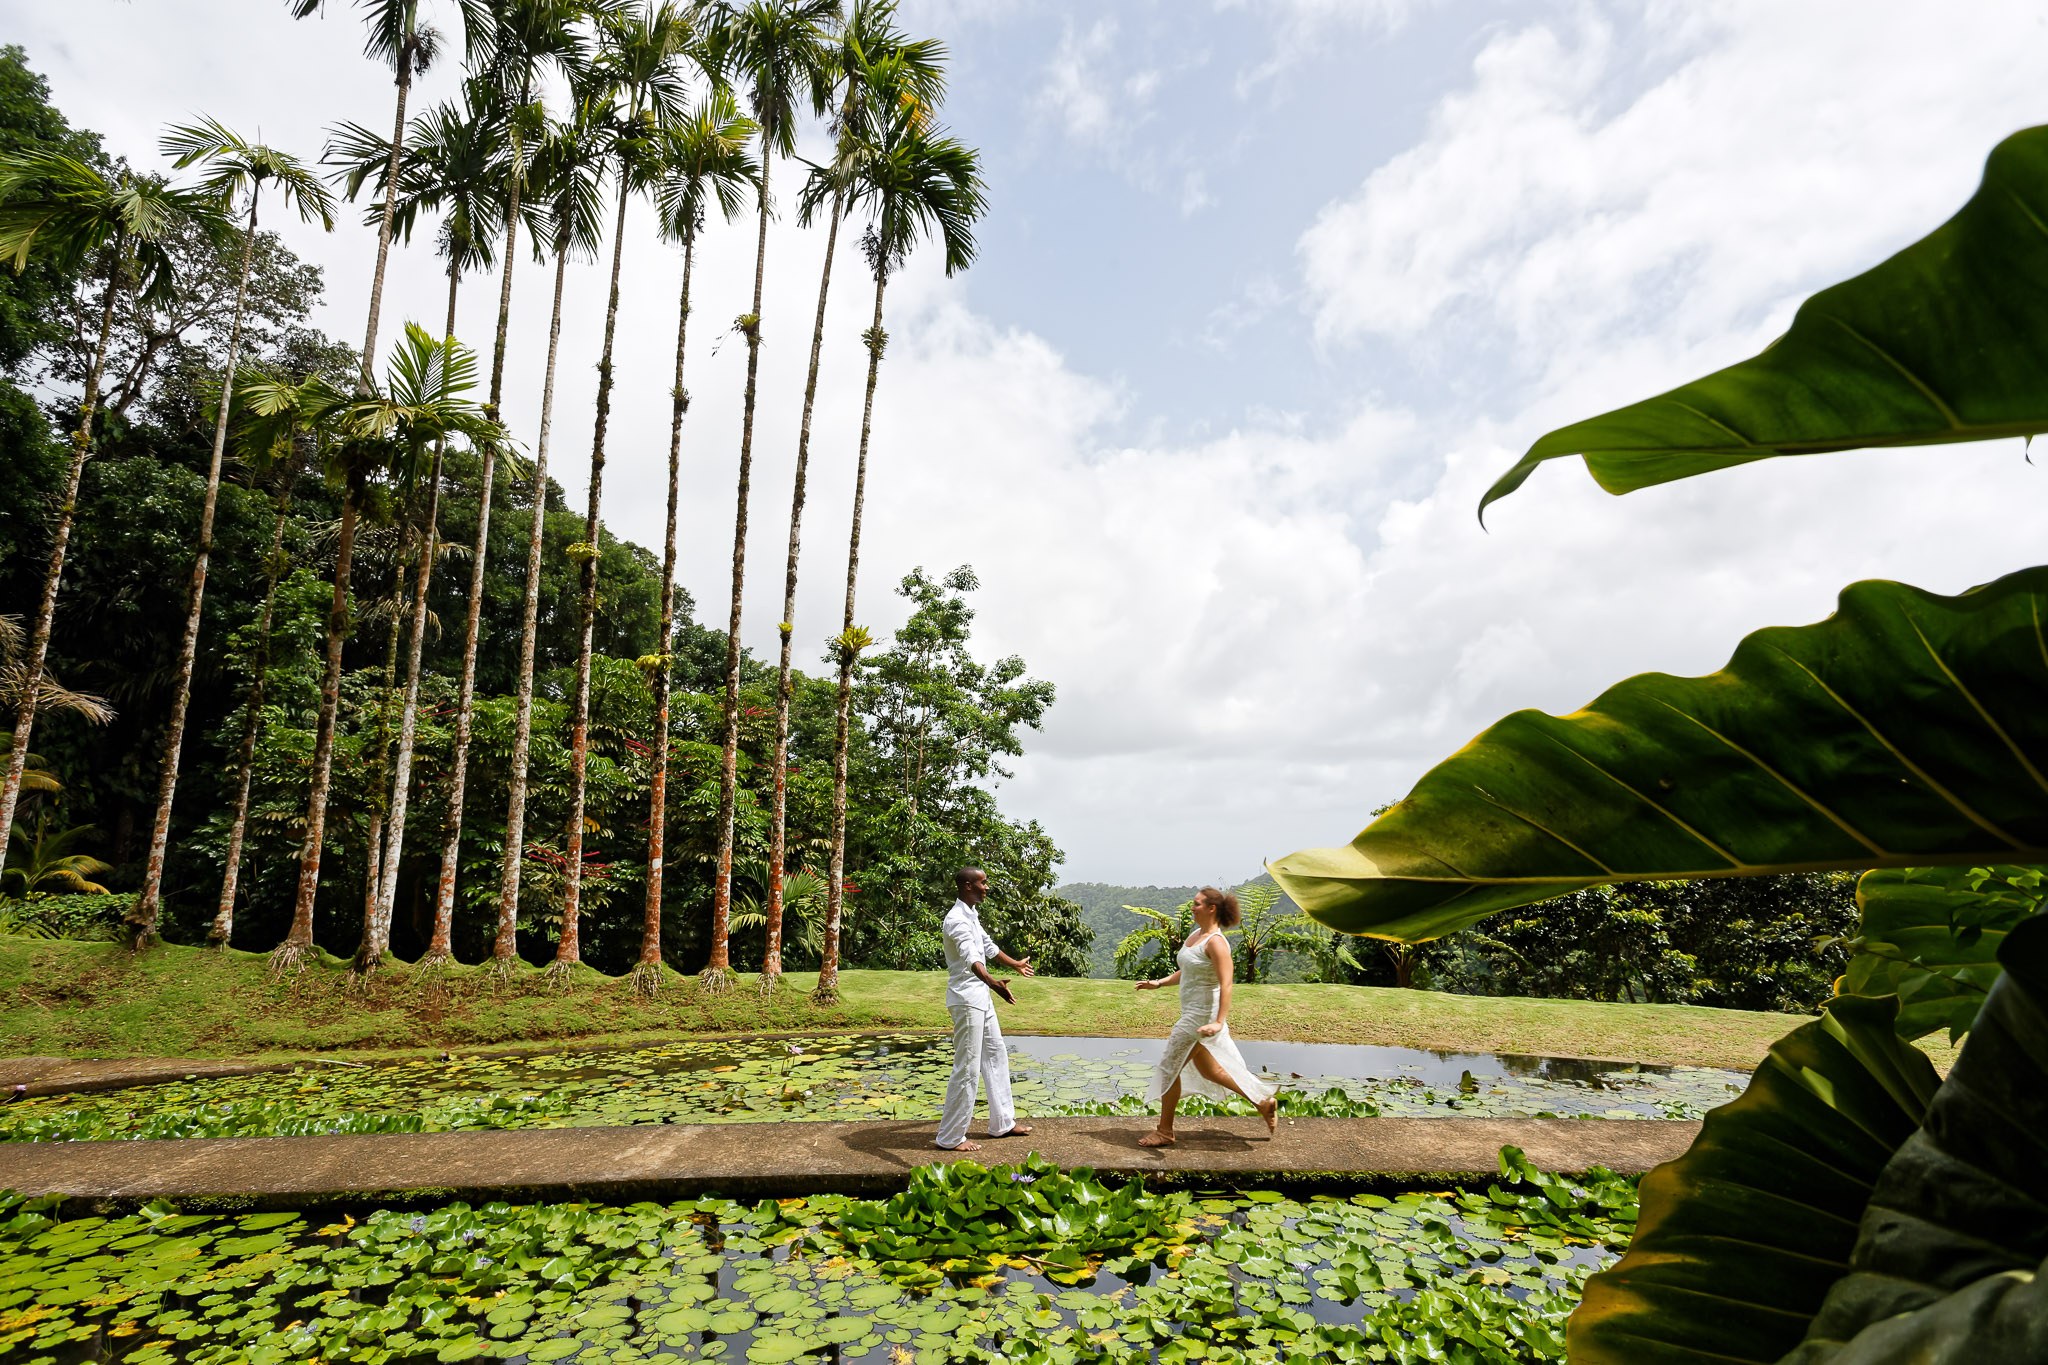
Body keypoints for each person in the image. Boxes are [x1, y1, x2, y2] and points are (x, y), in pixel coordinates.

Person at [1134, 886, 1278, 1147]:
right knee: (1211, 1071)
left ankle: (1165, 1131)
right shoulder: (1197, 936)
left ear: (1212, 908)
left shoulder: (1216, 943)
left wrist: (1219, 1022)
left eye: (1197, 903)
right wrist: (1159, 983)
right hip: (1193, 1014)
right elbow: (1189, 969)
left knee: (1169, 1068)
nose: (1192, 907)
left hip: (1200, 1018)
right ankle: (1262, 1102)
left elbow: (1227, 983)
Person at [937, 866, 1036, 1151]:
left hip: (980, 996)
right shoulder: (956, 920)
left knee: (995, 1054)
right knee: (967, 1067)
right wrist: (994, 984)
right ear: (968, 886)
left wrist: (1015, 964)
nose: (987, 887)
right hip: (967, 999)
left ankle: (1002, 1123)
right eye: (983, 882)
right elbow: (972, 959)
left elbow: (988, 947)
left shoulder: (971, 914)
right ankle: (950, 1137)